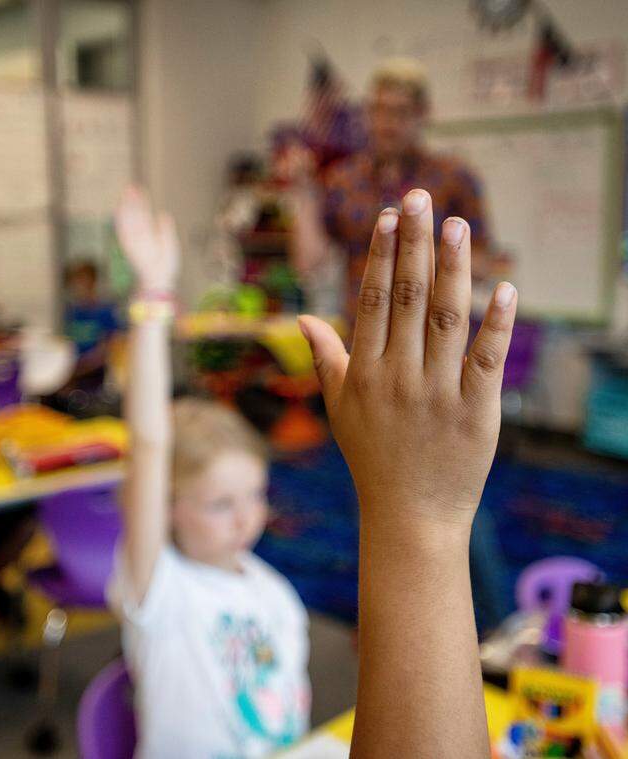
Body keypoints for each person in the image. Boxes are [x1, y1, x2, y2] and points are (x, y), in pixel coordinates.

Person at [298, 189, 517, 757]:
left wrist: (407, 505)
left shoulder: (452, 176)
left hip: (401, 378)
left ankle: (491, 623)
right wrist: (418, 510)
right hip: (379, 373)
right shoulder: (349, 176)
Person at [107, 187, 311, 758]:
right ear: (169, 506)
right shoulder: (160, 588)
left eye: (255, 496)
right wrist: (153, 295)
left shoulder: (278, 596)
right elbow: (147, 445)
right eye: (221, 504)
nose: (247, 518)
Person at [282, 58, 494, 319]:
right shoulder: (344, 178)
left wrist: (416, 255)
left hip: (431, 337)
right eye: (379, 110)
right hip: (360, 332)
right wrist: (304, 190)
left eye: (401, 112)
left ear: (422, 113)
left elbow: (484, 266)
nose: (388, 124)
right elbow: (308, 263)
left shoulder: (455, 177)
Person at [63, 259, 123, 386]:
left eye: (82, 280)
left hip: (93, 374)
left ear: (92, 281)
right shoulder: (72, 312)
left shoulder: (104, 311)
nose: (78, 286)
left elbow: (110, 347)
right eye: (76, 281)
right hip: (71, 370)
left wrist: (80, 369)